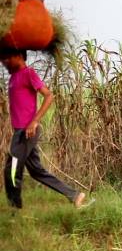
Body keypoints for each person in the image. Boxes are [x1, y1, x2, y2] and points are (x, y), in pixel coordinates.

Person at [0, 48, 85, 209]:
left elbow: (48, 95)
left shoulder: (28, 73)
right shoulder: (13, 77)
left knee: (11, 169)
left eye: (7, 58)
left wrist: (34, 122)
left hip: (27, 131)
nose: (5, 62)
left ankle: (14, 210)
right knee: (36, 171)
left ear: (18, 56)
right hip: (19, 131)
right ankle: (75, 195)